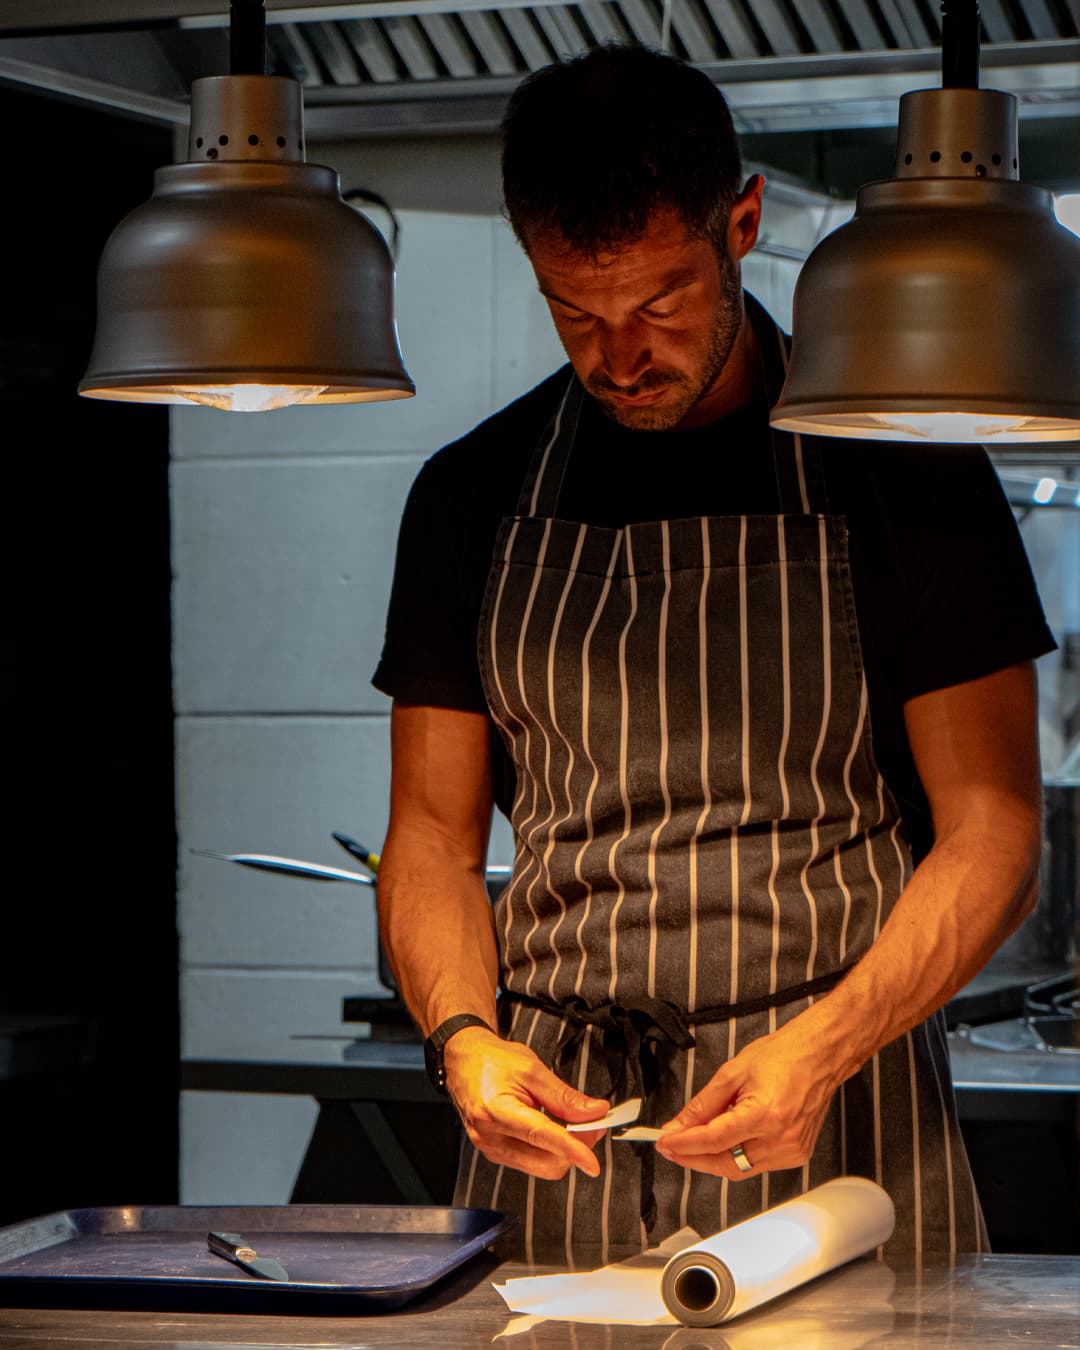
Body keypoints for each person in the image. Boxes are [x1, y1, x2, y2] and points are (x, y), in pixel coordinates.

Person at [372, 43, 1055, 1265]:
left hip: (832, 1120)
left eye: (661, 303)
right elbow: (429, 831)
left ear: (742, 223)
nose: (617, 357)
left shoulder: (902, 472)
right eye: (575, 312)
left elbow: (996, 826)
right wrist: (465, 1041)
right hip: (560, 1131)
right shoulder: (472, 496)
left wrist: (829, 1045)